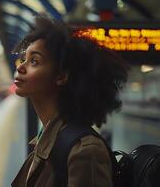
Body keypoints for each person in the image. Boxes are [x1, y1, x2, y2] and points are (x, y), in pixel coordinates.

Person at [11, 15, 129, 187]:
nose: (20, 67)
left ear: (61, 76)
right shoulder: (46, 139)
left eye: (34, 61)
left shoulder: (85, 150)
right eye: (24, 59)